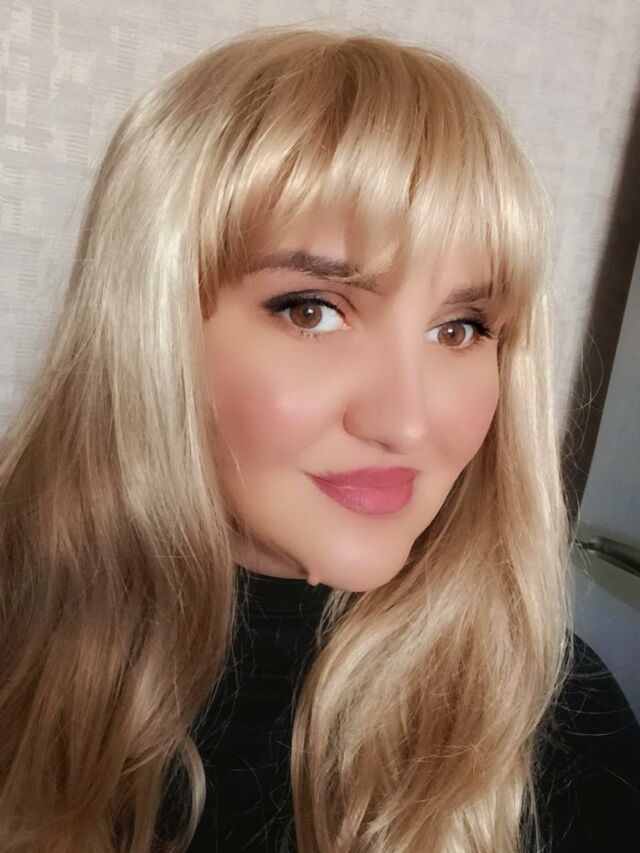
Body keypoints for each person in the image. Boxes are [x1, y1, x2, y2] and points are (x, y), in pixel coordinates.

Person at [0, 24, 638, 853]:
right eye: (312, 310)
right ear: (150, 327)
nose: (406, 422)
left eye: (460, 328)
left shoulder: (565, 729)